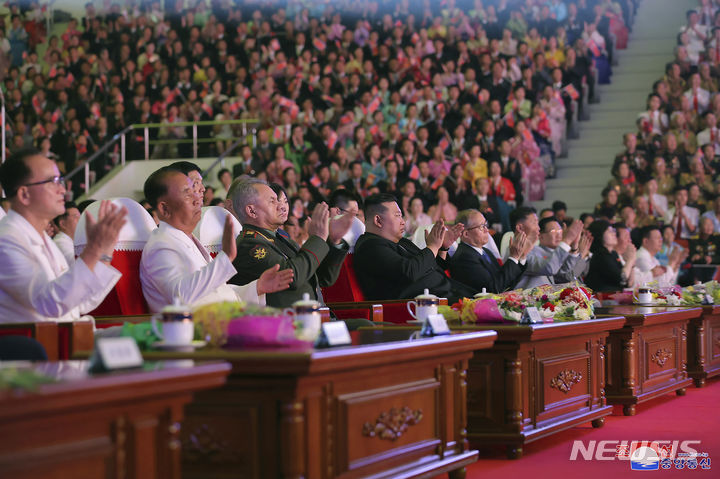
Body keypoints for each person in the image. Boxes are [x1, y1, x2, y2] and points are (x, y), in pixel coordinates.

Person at [139, 168, 294, 313]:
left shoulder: (185, 238)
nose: (198, 199)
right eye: (187, 194)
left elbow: (214, 292)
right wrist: (224, 259)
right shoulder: (160, 245)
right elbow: (181, 297)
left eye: (195, 191)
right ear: (164, 209)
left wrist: (257, 287)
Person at [0, 148, 127, 323]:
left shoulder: (44, 240)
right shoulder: (6, 241)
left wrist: (103, 254)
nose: (62, 189)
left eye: (61, 180)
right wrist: (93, 250)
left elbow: (79, 303)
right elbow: (50, 304)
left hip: (66, 336)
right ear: (24, 194)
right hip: (36, 345)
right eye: (53, 181)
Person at [229, 178, 353, 308]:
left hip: (313, 316)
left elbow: (323, 278)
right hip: (286, 323)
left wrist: (334, 241)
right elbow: (292, 277)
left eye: (280, 200)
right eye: (272, 201)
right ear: (252, 211)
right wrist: (317, 238)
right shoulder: (248, 245)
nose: (282, 206)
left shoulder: (280, 238)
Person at [353, 194, 475, 303]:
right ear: (378, 220)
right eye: (397, 216)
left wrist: (442, 248)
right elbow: (409, 272)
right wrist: (432, 246)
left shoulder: (402, 241)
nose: (403, 222)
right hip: (418, 307)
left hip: (447, 294)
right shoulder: (370, 247)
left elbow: (428, 266)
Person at [449, 209, 531, 293]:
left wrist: (521, 257)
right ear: (466, 234)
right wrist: (513, 257)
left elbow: (506, 283)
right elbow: (493, 289)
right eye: (481, 227)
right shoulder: (464, 257)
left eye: (486, 225)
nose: (487, 230)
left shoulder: (486, 251)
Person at [515, 217, 591, 288]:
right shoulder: (532, 251)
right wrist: (567, 240)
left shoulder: (557, 253)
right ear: (541, 236)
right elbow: (566, 276)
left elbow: (564, 270)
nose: (559, 234)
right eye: (553, 231)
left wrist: (574, 246)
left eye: (560, 230)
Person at [585, 220, 635, 292]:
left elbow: (628, 284)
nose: (614, 234)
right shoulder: (601, 255)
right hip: (602, 299)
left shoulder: (613, 254)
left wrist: (632, 263)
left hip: (614, 297)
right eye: (610, 231)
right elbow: (622, 279)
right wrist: (630, 260)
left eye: (614, 231)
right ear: (600, 234)